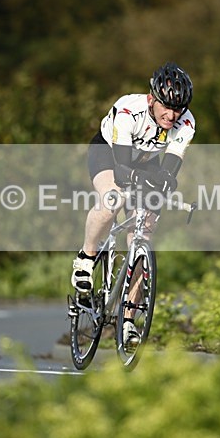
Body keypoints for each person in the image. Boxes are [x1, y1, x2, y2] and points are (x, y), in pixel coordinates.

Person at [71, 62, 196, 348]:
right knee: (113, 199)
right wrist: (138, 183)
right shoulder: (129, 110)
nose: (171, 115)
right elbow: (122, 169)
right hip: (110, 153)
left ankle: (127, 319)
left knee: (144, 232)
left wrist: (166, 186)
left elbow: (170, 168)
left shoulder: (186, 122)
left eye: (178, 108)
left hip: (147, 162)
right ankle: (87, 257)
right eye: (166, 106)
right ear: (152, 99)